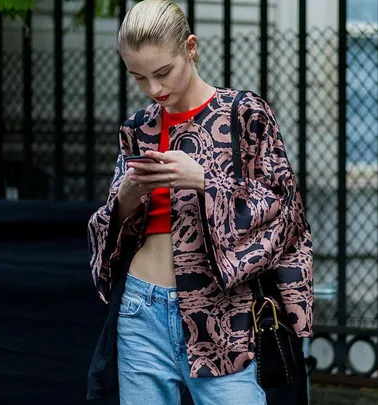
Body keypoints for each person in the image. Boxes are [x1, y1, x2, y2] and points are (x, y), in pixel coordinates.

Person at [86, 1, 314, 404]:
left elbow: (286, 210)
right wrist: (125, 199)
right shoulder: (138, 128)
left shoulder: (243, 112)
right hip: (142, 308)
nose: (154, 89)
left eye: (162, 72)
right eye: (139, 77)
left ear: (191, 47)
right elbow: (110, 230)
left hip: (223, 311)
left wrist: (203, 180)